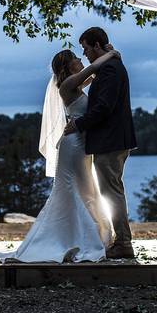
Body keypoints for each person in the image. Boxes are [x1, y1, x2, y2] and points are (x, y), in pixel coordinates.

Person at [0, 46, 120, 263]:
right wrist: (111, 54)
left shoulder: (75, 84)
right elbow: (93, 68)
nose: (80, 59)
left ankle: (87, 236)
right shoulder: (67, 84)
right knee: (75, 189)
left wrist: (108, 60)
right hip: (72, 145)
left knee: (86, 190)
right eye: (76, 58)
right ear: (68, 64)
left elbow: (94, 75)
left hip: (81, 144)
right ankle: (81, 239)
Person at [64, 27, 137, 259]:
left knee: (111, 192)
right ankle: (121, 240)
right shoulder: (109, 66)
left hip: (110, 140)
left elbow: (103, 108)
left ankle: (124, 243)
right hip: (113, 139)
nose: (84, 53)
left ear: (96, 45)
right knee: (112, 190)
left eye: (86, 47)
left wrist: (79, 124)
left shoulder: (110, 70)